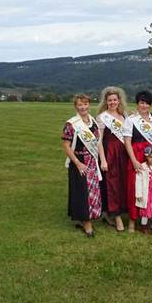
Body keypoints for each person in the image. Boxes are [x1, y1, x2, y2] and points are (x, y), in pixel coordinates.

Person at [61, 94, 107, 238]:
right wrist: (78, 163)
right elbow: (66, 146)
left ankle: (86, 218)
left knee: (92, 191)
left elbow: (98, 142)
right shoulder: (71, 124)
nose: (83, 107)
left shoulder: (92, 121)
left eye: (85, 104)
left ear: (89, 105)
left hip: (92, 161)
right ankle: (87, 224)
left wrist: (103, 160)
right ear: (76, 106)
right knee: (82, 192)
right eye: (80, 105)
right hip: (79, 161)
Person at [124, 90, 152, 233]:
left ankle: (151, 217)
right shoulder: (131, 119)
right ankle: (133, 220)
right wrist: (133, 160)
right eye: (141, 102)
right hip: (136, 155)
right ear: (137, 103)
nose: (144, 105)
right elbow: (127, 141)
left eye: (147, 103)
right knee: (136, 188)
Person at [96, 86, 129, 232]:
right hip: (110, 153)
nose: (112, 102)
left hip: (123, 153)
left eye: (115, 99)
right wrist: (103, 159)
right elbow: (98, 140)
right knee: (112, 185)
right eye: (110, 100)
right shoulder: (102, 117)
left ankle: (114, 212)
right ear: (106, 101)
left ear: (119, 101)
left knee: (123, 184)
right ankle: (117, 217)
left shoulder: (124, 116)